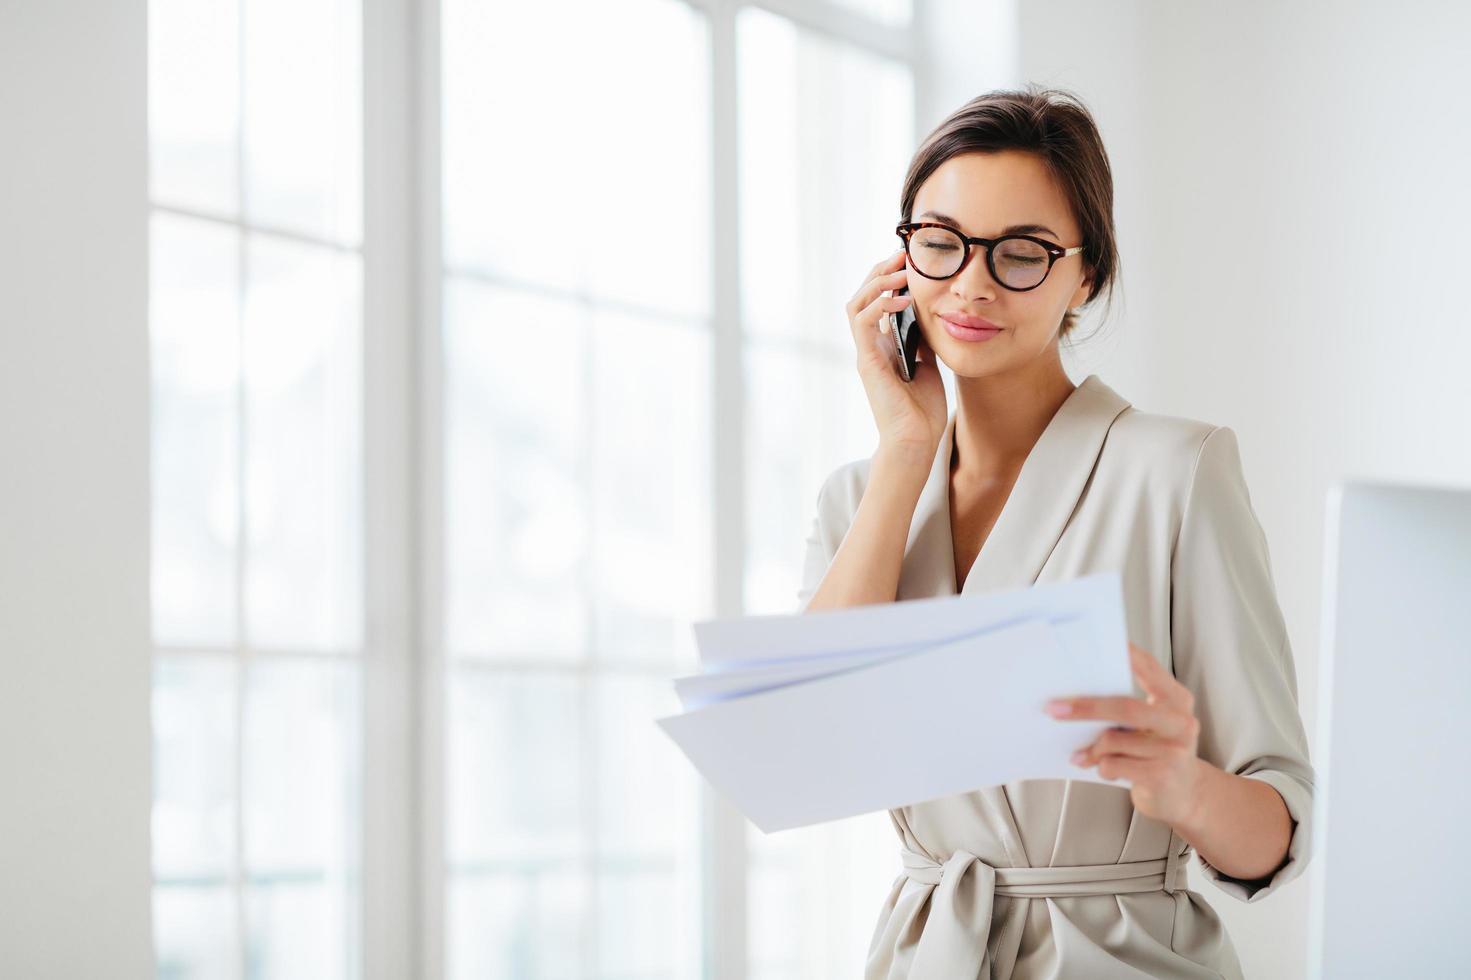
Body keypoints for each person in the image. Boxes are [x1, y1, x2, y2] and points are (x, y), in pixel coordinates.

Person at [797, 86, 1314, 980]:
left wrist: (1179, 784)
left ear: (1087, 275)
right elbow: (808, 746)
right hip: (925, 954)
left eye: (1022, 254)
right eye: (940, 241)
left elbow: (1273, 831)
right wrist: (906, 445)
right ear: (900, 258)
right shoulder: (860, 497)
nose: (971, 283)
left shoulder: (1175, 470)